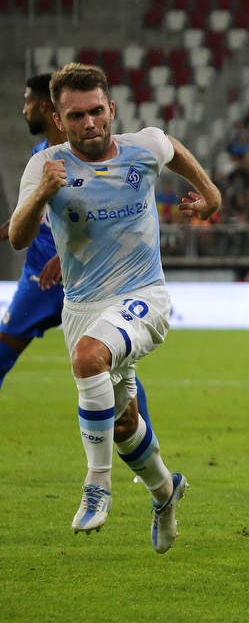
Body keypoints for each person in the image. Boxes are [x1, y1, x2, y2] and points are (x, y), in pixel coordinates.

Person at [8, 63, 220, 553]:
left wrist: (210, 195)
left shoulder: (141, 148)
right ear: (59, 120)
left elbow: (172, 147)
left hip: (146, 297)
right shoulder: (46, 167)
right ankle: (165, 492)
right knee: (123, 425)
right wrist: (43, 194)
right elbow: (18, 237)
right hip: (84, 306)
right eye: (76, 115)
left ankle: (96, 484)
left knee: (88, 357)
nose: (89, 123)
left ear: (111, 109)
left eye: (96, 111)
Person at [0, 74, 153, 429]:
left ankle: (143, 445)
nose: (23, 110)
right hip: (37, 280)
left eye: (26, 103)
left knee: (110, 366)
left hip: (88, 280)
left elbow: (110, 219)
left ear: (43, 107)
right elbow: (31, 216)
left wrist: (63, 257)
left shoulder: (98, 158)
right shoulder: (40, 159)